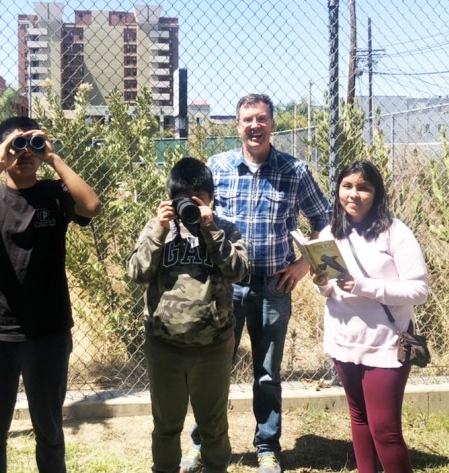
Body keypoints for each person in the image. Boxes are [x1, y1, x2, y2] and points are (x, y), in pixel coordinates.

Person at [182, 94, 330, 473]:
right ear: (237, 125)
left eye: (261, 118)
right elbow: (196, 222)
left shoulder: (293, 171)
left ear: (272, 124)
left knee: (267, 373)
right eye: (247, 119)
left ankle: (267, 447)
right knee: (214, 371)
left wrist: (301, 266)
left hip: (272, 288)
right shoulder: (217, 168)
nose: (254, 126)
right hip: (224, 290)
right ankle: (202, 444)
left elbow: (325, 221)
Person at [0, 116, 101, 473]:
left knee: (50, 431)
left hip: (48, 330)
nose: (24, 153)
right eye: (14, 146)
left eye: (31, 145)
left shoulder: (54, 194)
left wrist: (53, 157)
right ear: (1, 152)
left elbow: (92, 207)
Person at [127, 157, 249, 473]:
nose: (191, 207)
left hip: (212, 346)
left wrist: (209, 227)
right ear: (170, 199)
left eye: (199, 199)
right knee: (166, 424)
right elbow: (137, 272)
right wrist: (159, 227)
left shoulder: (224, 229)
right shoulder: (159, 230)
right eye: (184, 200)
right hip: (164, 346)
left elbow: (240, 271)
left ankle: (216, 467)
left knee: (213, 424)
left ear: (210, 199)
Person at [312, 160, 429, 473]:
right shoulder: (329, 233)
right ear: (337, 190)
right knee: (359, 419)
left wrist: (364, 287)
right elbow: (332, 290)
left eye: (363, 187)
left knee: (385, 431)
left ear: (376, 194)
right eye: (347, 186)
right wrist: (322, 285)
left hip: (385, 344)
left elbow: (419, 290)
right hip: (344, 340)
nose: (354, 194)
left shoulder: (395, 233)